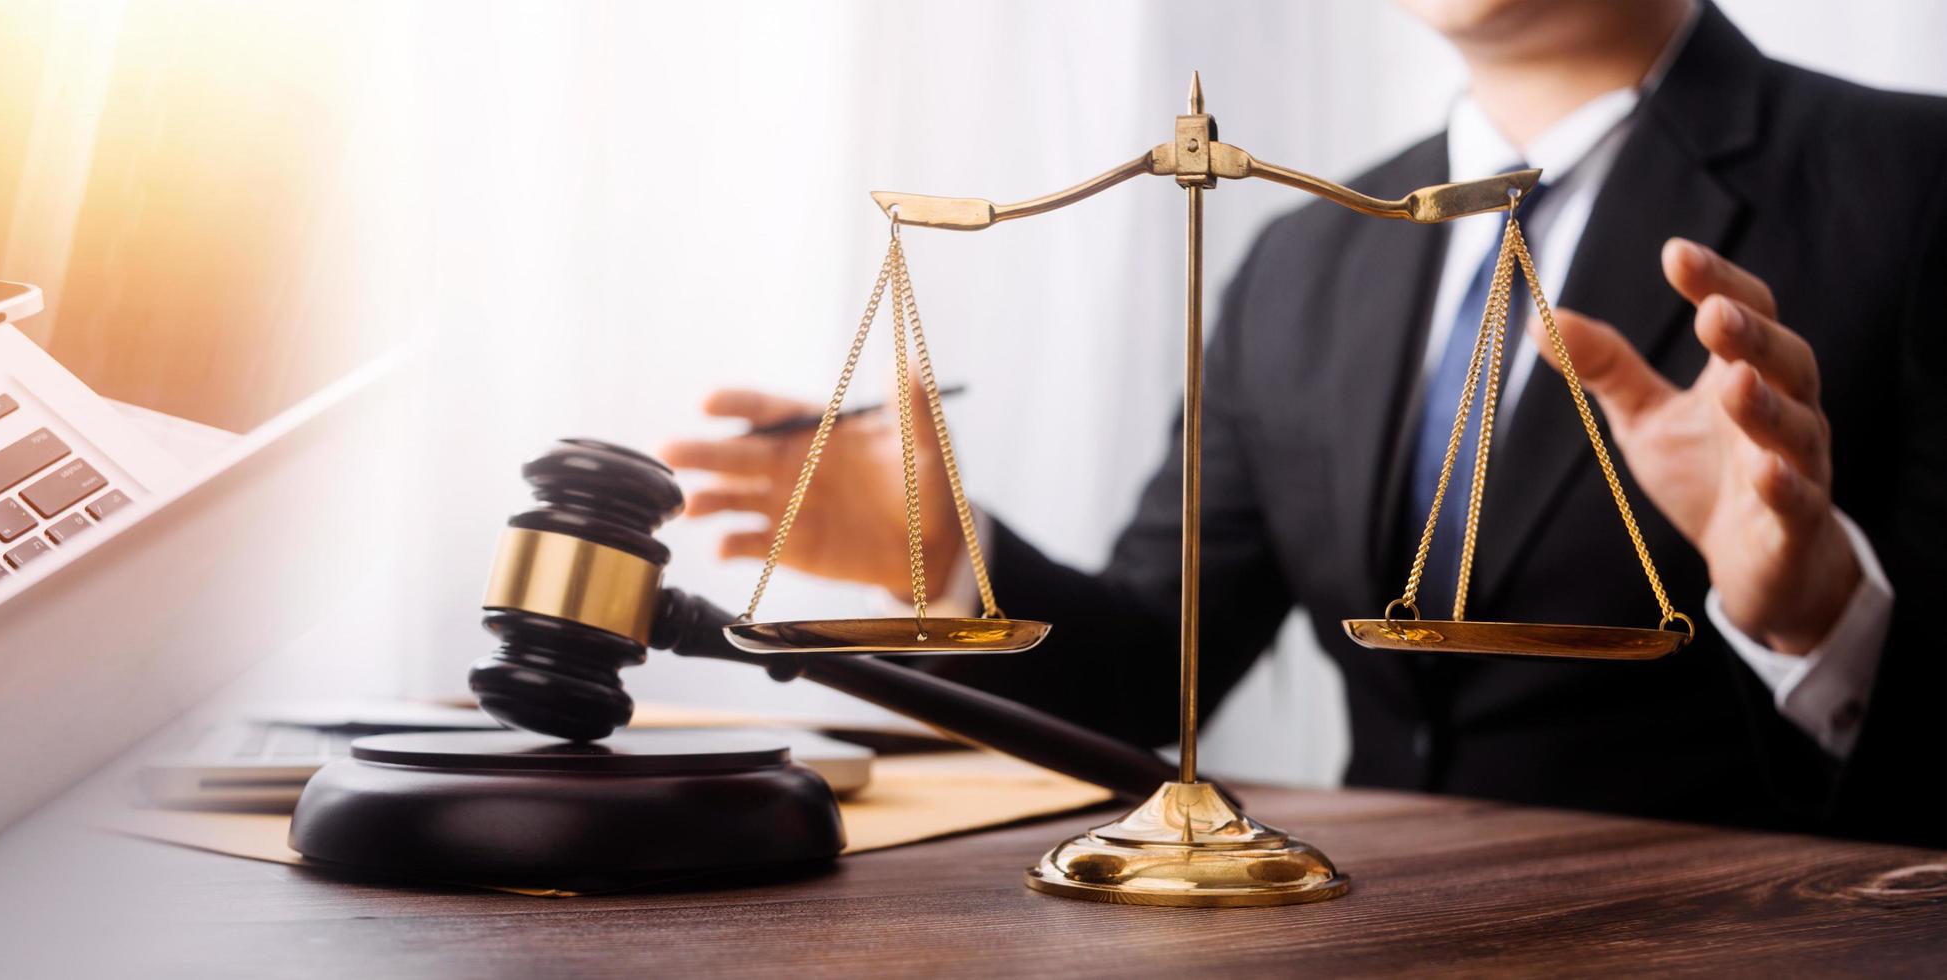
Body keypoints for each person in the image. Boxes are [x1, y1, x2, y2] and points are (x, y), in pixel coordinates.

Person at [662, 1, 1940, 845]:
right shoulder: (1300, 258)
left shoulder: (1910, 180)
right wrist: (943, 554)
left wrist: (1822, 621)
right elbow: (1149, 670)